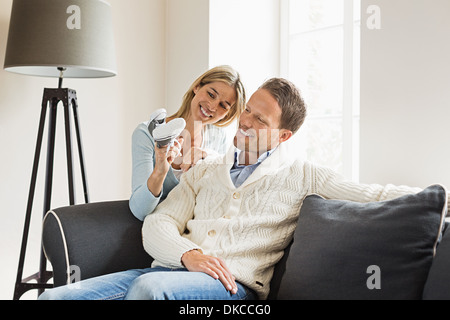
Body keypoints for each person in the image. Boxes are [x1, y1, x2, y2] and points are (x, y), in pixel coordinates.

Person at [38, 78, 424, 301]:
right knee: (52, 298)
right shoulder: (205, 169)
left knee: (149, 290)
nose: (245, 120)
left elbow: (372, 194)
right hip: (171, 270)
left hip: (232, 289)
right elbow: (157, 224)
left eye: (260, 118)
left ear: (283, 134)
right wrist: (188, 254)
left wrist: (440, 200)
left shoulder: (304, 174)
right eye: (248, 110)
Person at [129, 65, 246, 221]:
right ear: (197, 87)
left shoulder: (218, 138)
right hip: (160, 224)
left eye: (223, 106)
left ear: (227, 114)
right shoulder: (147, 134)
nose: (212, 106)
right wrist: (160, 171)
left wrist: (209, 158)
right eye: (211, 94)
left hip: (198, 225)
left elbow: (221, 196)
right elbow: (139, 210)